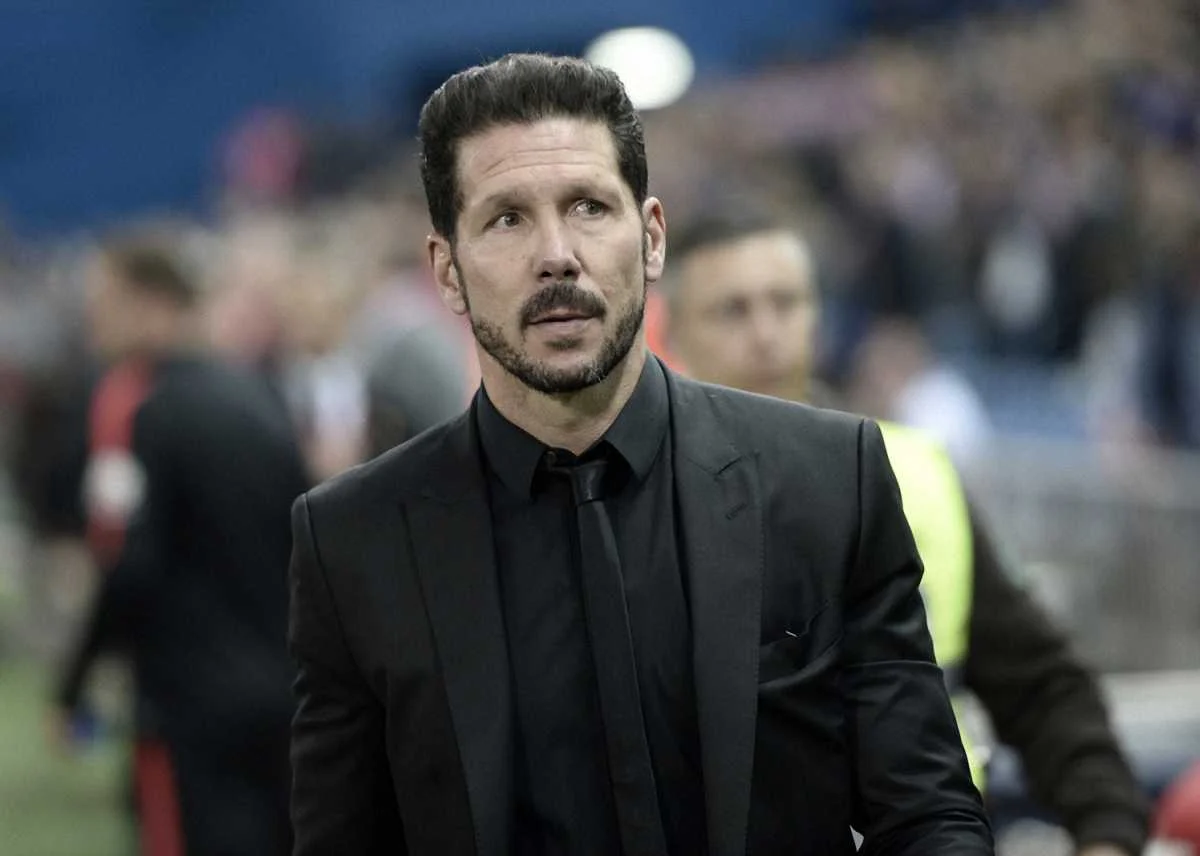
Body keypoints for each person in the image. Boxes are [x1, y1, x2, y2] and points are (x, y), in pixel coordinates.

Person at [288, 53, 992, 856]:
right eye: (507, 219)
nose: (556, 254)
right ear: (448, 272)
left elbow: (927, 815)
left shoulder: (828, 479)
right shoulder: (354, 544)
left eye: (588, 207)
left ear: (652, 238)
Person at [659, 204, 1151, 856]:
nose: (767, 333)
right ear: (675, 334)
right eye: (733, 311)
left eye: (786, 303)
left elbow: (1041, 686)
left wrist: (1108, 831)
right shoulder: (646, 504)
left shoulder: (914, 474)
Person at [54, 224, 308, 856]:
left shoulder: (145, 408)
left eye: (105, 301)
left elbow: (131, 565)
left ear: (152, 302)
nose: (93, 320)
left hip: (187, 701)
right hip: (282, 688)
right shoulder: (259, 393)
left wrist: (75, 682)